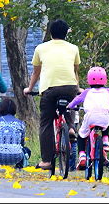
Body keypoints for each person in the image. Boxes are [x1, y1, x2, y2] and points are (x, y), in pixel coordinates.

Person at [23, 18, 80, 170]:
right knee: (71, 105)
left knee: (46, 122)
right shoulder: (74, 48)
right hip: (70, 86)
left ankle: (47, 160)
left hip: (49, 89)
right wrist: (78, 88)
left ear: (50, 33)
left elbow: (36, 72)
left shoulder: (41, 48)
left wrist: (29, 88)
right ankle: (71, 128)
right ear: (66, 33)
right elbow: (74, 72)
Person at [67, 66, 109, 169]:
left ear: (89, 79)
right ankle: (105, 141)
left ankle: (82, 155)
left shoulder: (86, 92)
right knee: (106, 121)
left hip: (90, 117)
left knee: (81, 135)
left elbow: (77, 100)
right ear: (105, 79)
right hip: (104, 117)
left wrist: (70, 106)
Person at [0, 97, 31, 171]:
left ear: (1, 109)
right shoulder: (20, 123)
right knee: (26, 150)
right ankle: (18, 166)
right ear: (14, 109)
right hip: (15, 156)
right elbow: (22, 142)